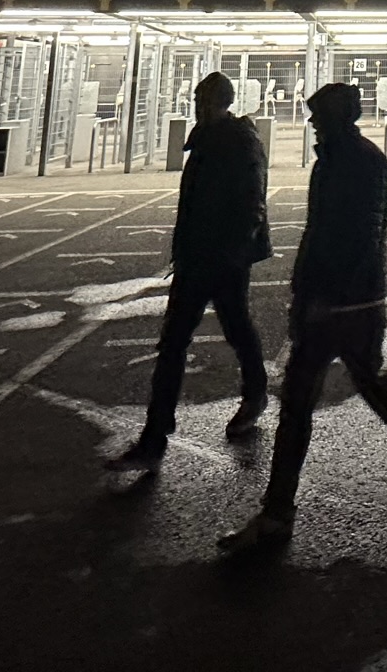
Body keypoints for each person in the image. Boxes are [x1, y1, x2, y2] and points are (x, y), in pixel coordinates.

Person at [217, 83, 387, 555]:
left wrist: (329, 296)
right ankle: (277, 513)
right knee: (297, 400)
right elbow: (316, 232)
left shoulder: (365, 164)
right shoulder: (331, 161)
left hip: (353, 303)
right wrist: (302, 291)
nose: (311, 122)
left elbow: (363, 237)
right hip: (324, 299)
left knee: (368, 382)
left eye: (318, 115)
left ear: (338, 117)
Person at [106, 73, 271, 471]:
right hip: (198, 255)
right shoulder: (205, 136)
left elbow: (252, 198)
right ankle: (155, 434)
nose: (200, 105)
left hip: (224, 256)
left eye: (206, 98)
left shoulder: (237, 140)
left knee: (236, 328)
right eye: (199, 98)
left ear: (222, 101)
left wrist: (234, 249)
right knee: (174, 341)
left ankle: (255, 392)